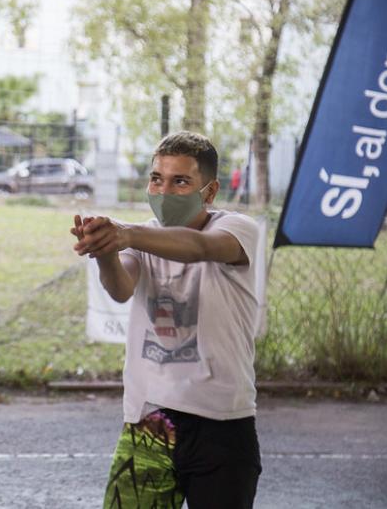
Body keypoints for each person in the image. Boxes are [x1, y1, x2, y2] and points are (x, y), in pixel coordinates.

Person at [71, 131, 261, 509]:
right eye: (157, 178)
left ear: (208, 192)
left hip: (221, 423)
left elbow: (200, 248)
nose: (163, 190)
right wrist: (105, 249)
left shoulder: (238, 229)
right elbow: (121, 287)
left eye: (180, 181)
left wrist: (124, 233)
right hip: (150, 422)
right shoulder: (143, 238)